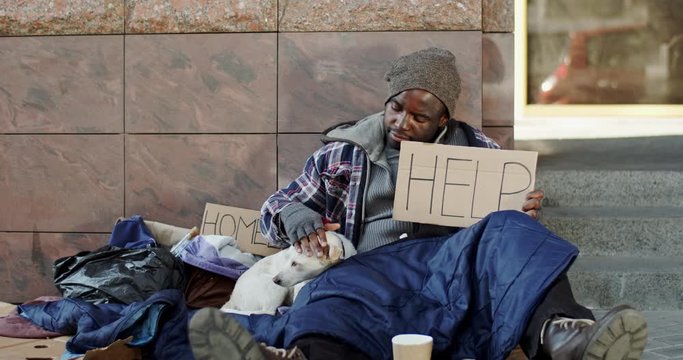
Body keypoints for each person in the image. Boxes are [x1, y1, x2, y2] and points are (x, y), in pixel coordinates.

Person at [189, 47, 647, 360]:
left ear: (443, 119)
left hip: (444, 268)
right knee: (328, 305)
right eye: (394, 108)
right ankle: (296, 353)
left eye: (418, 116)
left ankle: (562, 337)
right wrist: (294, 214)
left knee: (513, 232)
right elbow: (276, 207)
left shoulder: (478, 151)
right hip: (365, 271)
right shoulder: (343, 153)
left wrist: (518, 215)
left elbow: (499, 245)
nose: (401, 123)